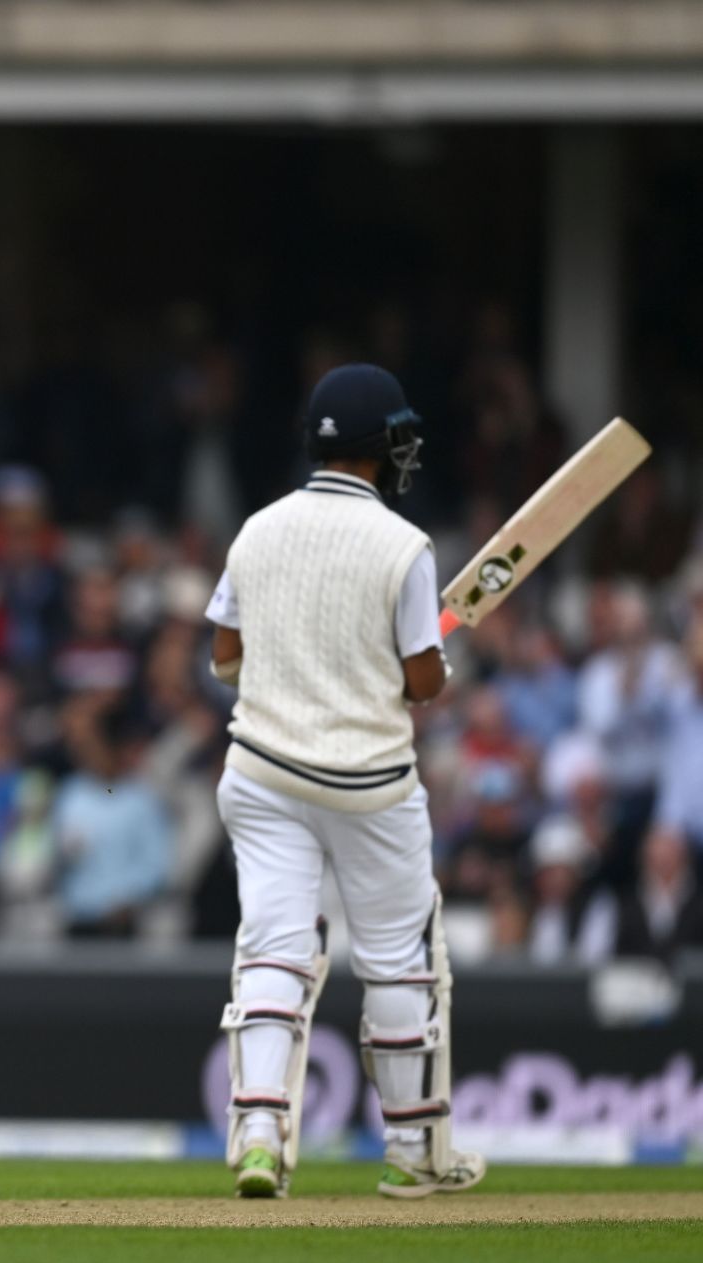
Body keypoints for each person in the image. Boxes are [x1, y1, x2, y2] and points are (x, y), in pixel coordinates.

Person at [206, 363, 485, 1201]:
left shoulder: (256, 529)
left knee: (274, 947)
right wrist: (439, 666)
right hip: (368, 781)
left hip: (260, 771)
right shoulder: (405, 547)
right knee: (398, 959)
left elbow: (223, 654)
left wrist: (291, 673)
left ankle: (258, 1134)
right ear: (385, 446)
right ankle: (411, 1152)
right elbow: (423, 681)